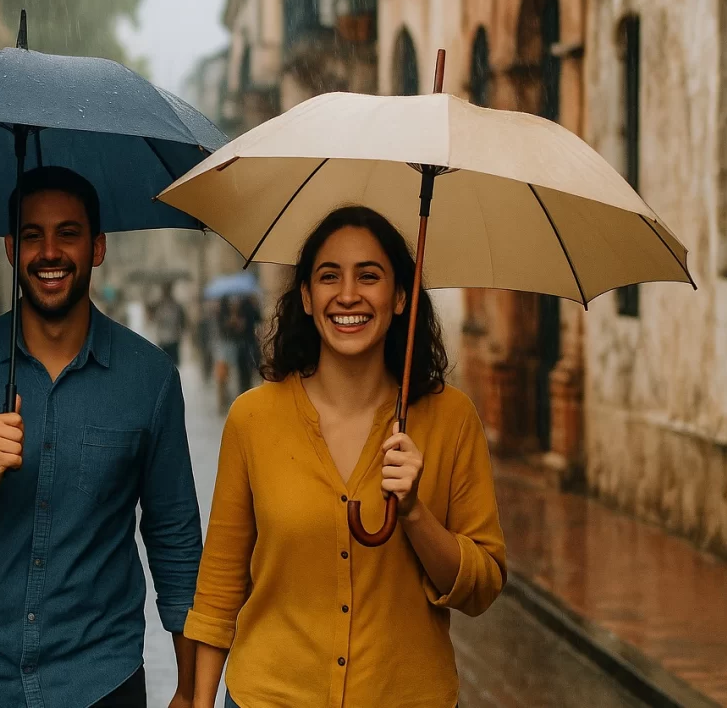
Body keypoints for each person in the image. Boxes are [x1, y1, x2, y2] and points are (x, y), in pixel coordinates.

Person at [0, 166, 203, 708]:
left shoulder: (149, 379)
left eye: (68, 233)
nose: (50, 252)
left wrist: (190, 689)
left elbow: (174, 538)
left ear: (97, 247)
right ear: (12, 249)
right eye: (32, 235)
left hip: (101, 681)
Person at [186, 206, 507, 708]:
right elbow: (220, 587)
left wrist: (417, 516)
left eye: (370, 276)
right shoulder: (253, 419)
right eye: (329, 276)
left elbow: (482, 587)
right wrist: (199, 701)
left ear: (400, 297)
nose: (349, 294)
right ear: (308, 299)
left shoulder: (451, 419)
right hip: (269, 696)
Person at [151, 281, 187, 366]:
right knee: (165, 363)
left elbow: (182, 321)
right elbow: (155, 319)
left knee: (173, 363)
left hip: (173, 338)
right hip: (164, 338)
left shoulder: (176, 305)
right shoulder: (159, 305)